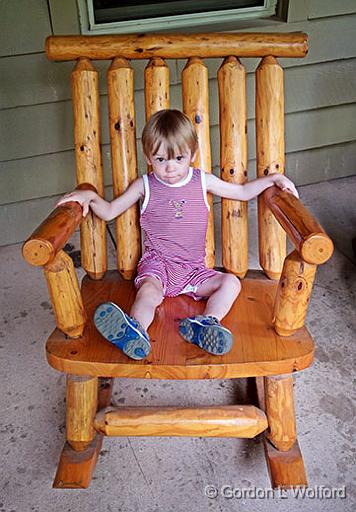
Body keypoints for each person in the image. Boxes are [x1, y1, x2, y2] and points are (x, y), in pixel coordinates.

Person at [57, 109, 298, 361]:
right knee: (148, 293)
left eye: (179, 158)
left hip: (193, 269)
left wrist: (274, 179)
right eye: (161, 160)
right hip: (158, 265)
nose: (170, 168)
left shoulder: (201, 180)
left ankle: (205, 324)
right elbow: (108, 212)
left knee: (231, 283)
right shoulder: (145, 185)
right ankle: (133, 330)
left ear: (192, 155)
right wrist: (90, 197)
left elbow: (242, 192)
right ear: (149, 157)